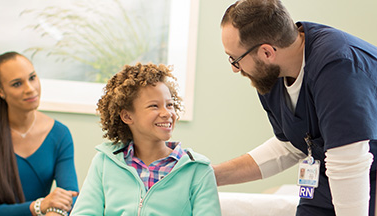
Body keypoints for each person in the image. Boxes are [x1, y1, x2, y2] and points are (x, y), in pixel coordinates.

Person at [214, 0, 377, 215]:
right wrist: (209, 176)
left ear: (266, 52)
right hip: (326, 176)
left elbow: (349, 161)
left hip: (365, 174)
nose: (236, 69)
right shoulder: (271, 76)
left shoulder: (336, 65)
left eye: (235, 59)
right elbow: (290, 146)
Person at [70, 63, 221, 215]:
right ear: (127, 116)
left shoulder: (198, 170)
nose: (167, 113)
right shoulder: (104, 162)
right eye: (154, 106)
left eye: (170, 105)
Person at [0, 51, 79, 216]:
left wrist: (53, 211)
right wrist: (38, 206)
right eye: (17, 84)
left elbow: (71, 197)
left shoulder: (59, 134)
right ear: (0, 91)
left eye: (32, 78)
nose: (30, 89)